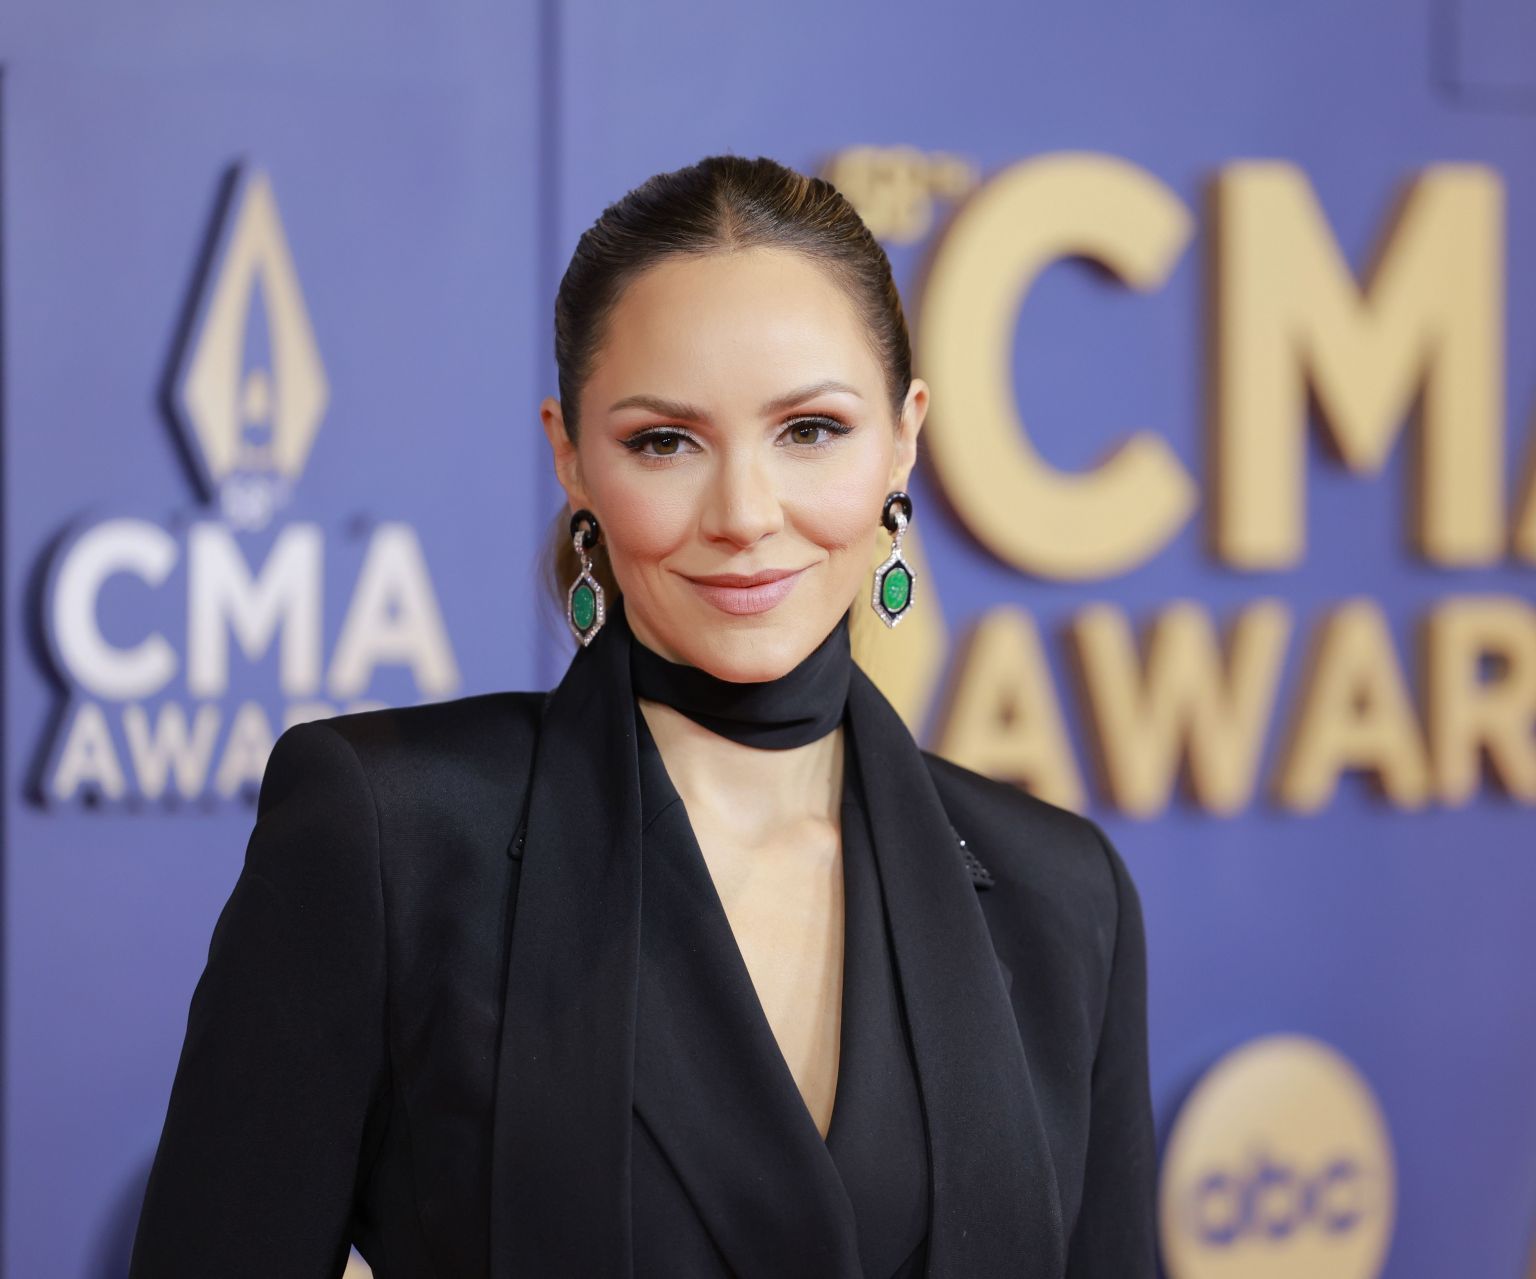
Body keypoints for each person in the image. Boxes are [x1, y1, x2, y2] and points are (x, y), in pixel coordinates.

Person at [128, 154, 1155, 1279]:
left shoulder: (1062, 893)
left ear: (903, 438)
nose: (744, 515)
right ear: (570, 454)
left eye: (809, 429)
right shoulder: (391, 836)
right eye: (664, 441)